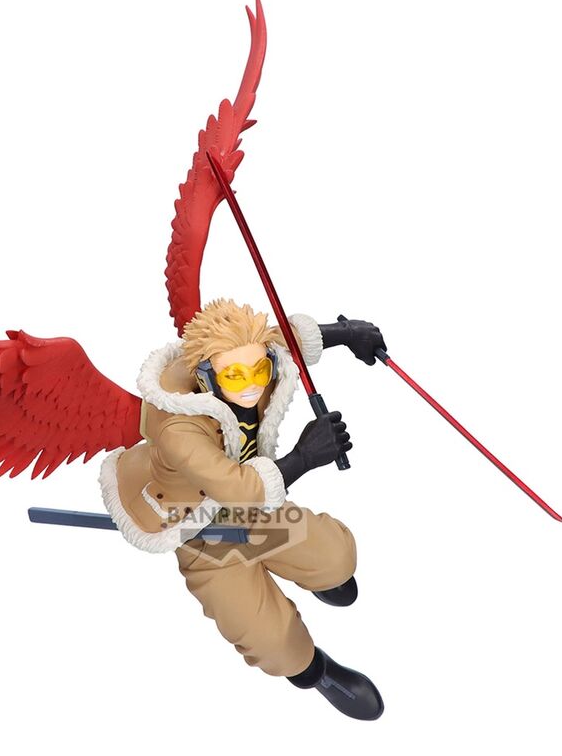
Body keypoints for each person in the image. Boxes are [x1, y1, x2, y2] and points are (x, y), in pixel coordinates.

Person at [100, 298, 387, 720]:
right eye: (234, 375)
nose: (252, 386)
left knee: (336, 557)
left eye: (259, 371)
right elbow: (240, 489)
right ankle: (319, 673)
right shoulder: (179, 428)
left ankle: (317, 575)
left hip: (259, 513)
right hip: (203, 531)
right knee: (273, 641)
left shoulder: (254, 362)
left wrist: (347, 334)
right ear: (206, 375)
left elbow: (287, 344)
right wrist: (304, 457)